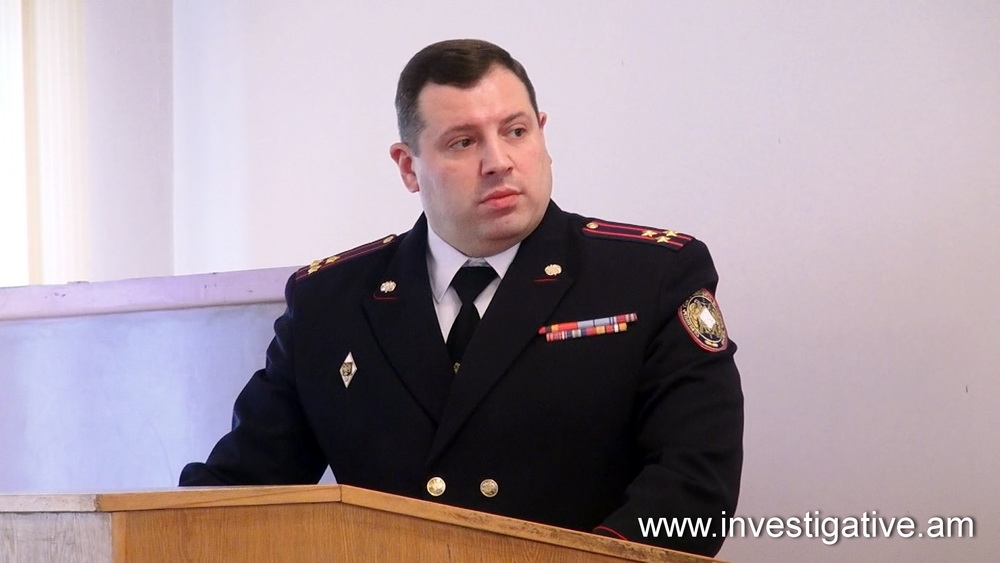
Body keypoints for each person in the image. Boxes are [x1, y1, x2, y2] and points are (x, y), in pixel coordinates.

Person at [180, 38, 743, 557]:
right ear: (408, 167)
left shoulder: (649, 276)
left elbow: (696, 489)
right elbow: (240, 492)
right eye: (463, 142)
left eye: (516, 131)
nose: (498, 161)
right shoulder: (330, 302)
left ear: (543, 135)